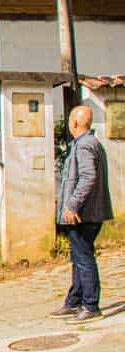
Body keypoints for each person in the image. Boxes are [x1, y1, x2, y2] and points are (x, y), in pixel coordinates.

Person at [51, 105, 114, 323]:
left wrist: (72, 205)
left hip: (83, 214)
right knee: (78, 257)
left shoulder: (85, 145)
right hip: (87, 213)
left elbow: (88, 177)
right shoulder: (87, 143)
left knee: (84, 258)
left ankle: (90, 305)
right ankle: (74, 301)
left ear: (74, 123)